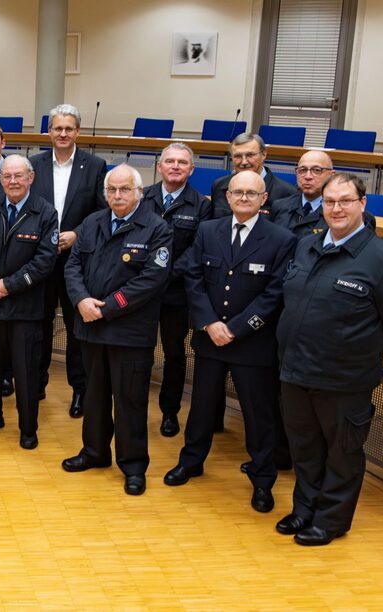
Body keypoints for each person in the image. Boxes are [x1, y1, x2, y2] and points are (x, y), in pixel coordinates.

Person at [275, 173, 383, 546]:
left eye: (345, 201)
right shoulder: (308, 246)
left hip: (344, 377)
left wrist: (353, 349)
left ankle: (332, 520)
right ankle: (305, 509)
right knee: (304, 447)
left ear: (362, 204)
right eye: (329, 201)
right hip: (296, 369)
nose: (336, 208)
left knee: (342, 453)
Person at [164, 170, 296, 514]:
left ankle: (262, 480)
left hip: (251, 343)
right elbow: (193, 278)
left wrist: (236, 328)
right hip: (210, 339)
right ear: (227, 197)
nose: (243, 198)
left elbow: (274, 293)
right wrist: (209, 322)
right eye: (237, 192)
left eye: (251, 194)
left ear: (263, 199)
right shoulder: (208, 231)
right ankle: (191, 461)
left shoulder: (281, 239)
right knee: (202, 407)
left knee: (258, 415)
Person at [61, 164, 173, 496]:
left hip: (129, 332)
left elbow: (151, 279)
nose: (118, 195)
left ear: (139, 192)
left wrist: (106, 307)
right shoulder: (92, 223)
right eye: (112, 189)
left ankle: (134, 465)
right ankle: (94, 452)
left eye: (125, 189)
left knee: (130, 401)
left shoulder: (156, 228)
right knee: (94, 396)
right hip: (91, 329)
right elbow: (72, 266)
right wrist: (81, 300)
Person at [0, 154, 58, 449]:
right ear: (1, 179)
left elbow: (44, 262)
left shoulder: (45, 213)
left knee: (26, 372)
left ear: (31, 178)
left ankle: (28, 428)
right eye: (7, 176)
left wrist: (8, 285)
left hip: (25, 309)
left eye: (19, 176)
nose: (13, 181)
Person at [29, 104, 108, 415]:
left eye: (68, 129)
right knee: (38, 323)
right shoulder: (33, 164)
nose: (62, 134)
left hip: (77, 261)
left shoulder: (95, 165)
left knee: (78, 328)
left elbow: (102, 212)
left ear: (78, 132)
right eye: (57, 128)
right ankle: (36, 383)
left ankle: (80, 390)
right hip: (39, 259)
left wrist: (77, 233)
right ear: (49, 132)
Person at [140, 143, 213, 437]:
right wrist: (147, 277)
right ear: (159, 166)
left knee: (174, 354)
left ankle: (169, 411)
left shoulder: (202, 206)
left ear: (191, 169)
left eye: (182, 162)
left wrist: (164, 275)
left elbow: (196, 250)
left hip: (176, 293)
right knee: (139, 351)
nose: (175, 166)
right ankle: (133, 408)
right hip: (141, 293)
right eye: (169, 161)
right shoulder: (141, 197)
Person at [210, 133, 296, 218]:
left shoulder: (286, 193)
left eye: (250, 155)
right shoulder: (219, 187)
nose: (244, 162)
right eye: (238, 156)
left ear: (264, 154)